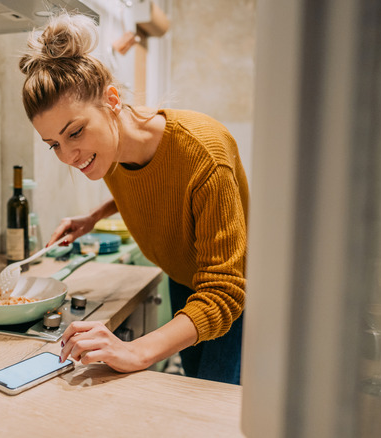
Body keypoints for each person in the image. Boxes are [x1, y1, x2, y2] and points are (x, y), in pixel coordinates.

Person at [18, 13, 248, 385]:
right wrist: (93, 217)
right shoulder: (109, 151)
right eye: (53, 145)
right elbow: (147, 183)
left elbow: (224, 291)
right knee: (191, 386)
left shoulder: (204, 152)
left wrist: (136, 349)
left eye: (75, 132)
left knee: (211, 404)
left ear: (111, 100)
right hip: (184, 278)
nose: (68, 156)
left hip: (233, 296)